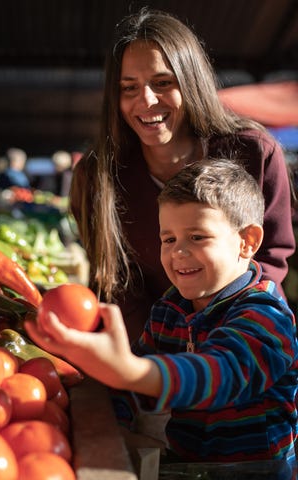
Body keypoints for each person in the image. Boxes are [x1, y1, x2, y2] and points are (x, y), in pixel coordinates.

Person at [26, 159, 298, 466]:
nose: (178, 252)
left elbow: (221, 375)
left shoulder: (266, 315)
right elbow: (132, 384)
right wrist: (118, 425)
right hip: (187, 464)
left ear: (247, 242)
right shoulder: (170, 309)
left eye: (197, 237)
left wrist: (131, 371)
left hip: (255, 474)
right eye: (168, 239)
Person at [69, 8, 296, 344]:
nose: (145, 100)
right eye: (128, 88)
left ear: (191, 81)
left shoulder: (256, 152)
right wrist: (149, 364)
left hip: (245, 343)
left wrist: (221, 343)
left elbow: (271, 258)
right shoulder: (97, 175)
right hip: (151, 355)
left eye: (162, 83)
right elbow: (117, 285)